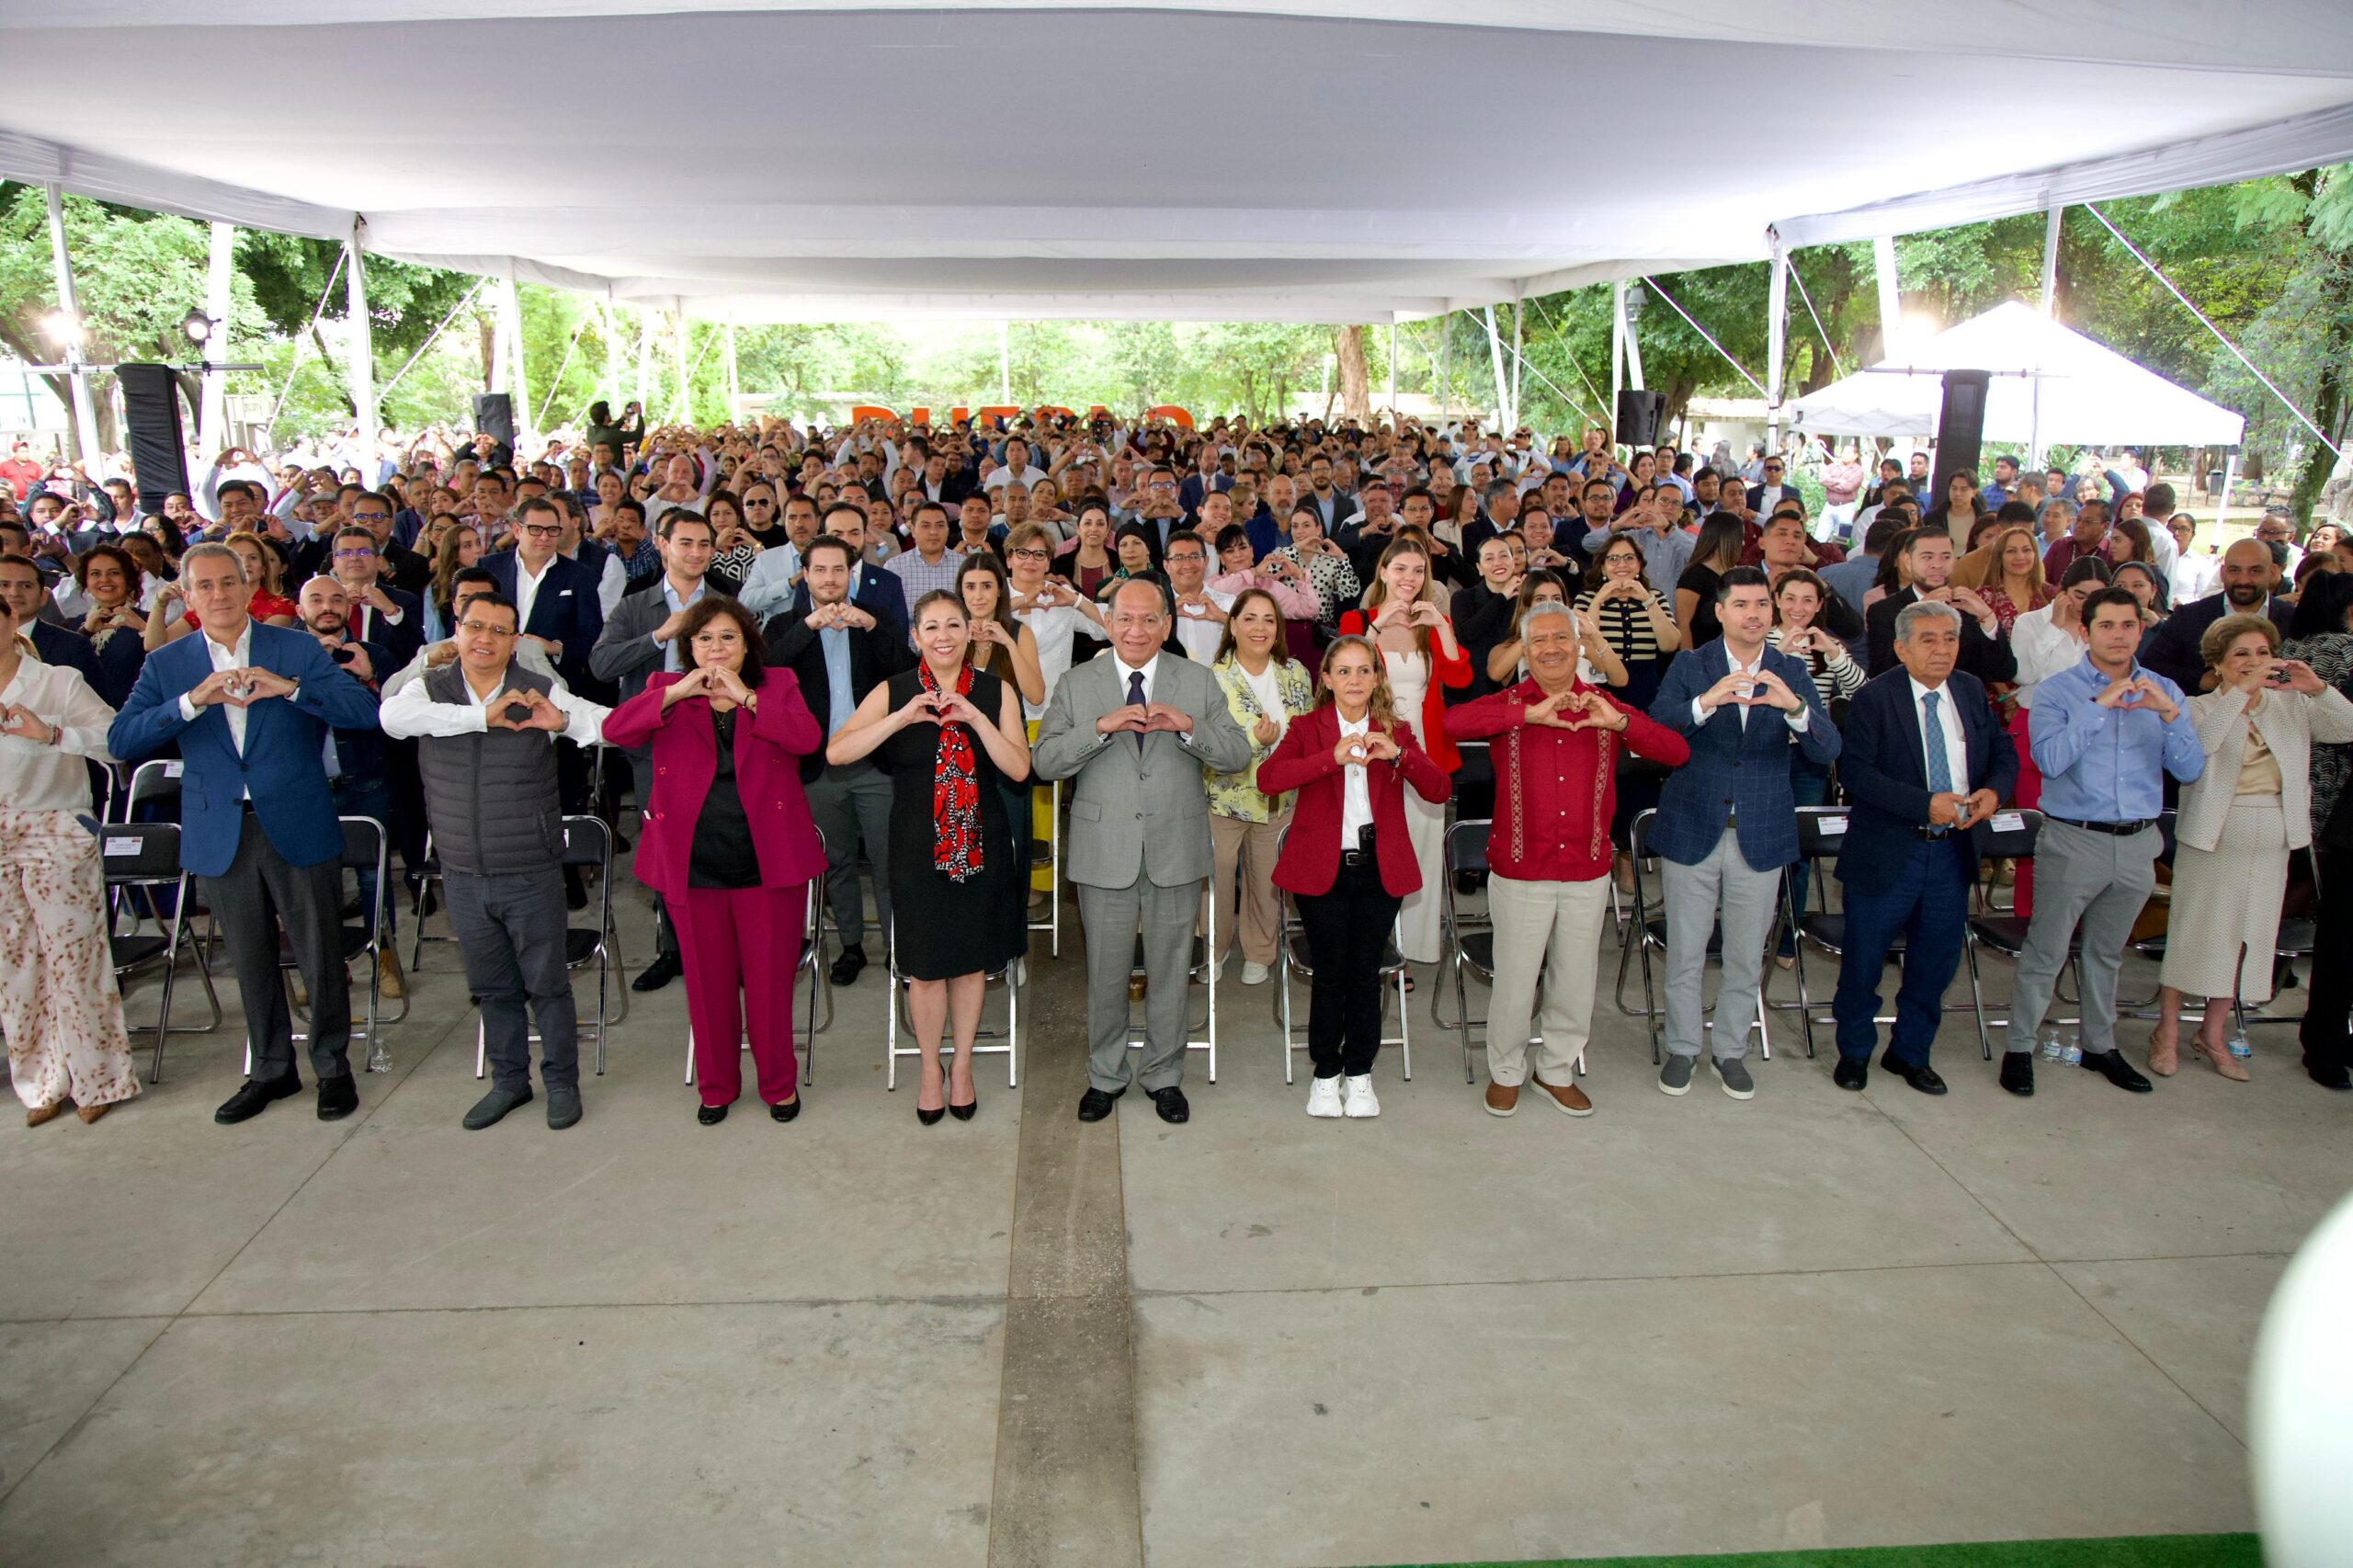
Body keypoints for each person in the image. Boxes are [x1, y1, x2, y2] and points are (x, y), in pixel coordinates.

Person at [108, 541, 381, 1124]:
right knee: (250, 958)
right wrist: (190, 702)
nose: (219, 595)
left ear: (248, 586)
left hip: (297, 817)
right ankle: (271, 1069)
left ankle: (332, 1067)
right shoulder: (168, 664)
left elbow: (363, 712)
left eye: (228, 582)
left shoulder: (295, 647)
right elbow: (121, 739)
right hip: (220, 828)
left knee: (319, 953)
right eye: (205, 586)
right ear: (188, 596)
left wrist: (293, 690)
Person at [1445, 603, 1688, 1117]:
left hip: (1586, 867)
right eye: (1539, 641)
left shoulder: (1603, 705)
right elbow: (1452, 721)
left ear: (1579, 646)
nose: (1551, 648)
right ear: (1525, 651)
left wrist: (1621, 722)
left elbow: (1675, 751)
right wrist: (1526, 716)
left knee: (1575, 981)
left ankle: (1555, 1070)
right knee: (1516, 980)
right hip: (1521, 868)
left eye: (1561, 638)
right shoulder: (1511, 702)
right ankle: (1506, 1070)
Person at [380, 591, 612, 1130]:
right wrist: (481, 716)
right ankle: (510, 1082)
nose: (484, 638)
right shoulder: (428, 688)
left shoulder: (537, 690)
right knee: (491, 987)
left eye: (499, 630)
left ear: (514, 642)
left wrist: (561, 722)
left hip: (529, 866)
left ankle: (561, 1082)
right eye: (474, 626)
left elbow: (606, 724)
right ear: (457, 631)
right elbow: (392, 717)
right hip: (462, 870)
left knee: (547, 986)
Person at [1032, 578, 1252, 1126]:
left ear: (1167, 625)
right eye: (1125, 619)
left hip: (1176, 845)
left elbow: (1235, 754)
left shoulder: (1196, 680)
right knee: (1106, 971)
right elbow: (1046, 761)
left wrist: (1188, 726)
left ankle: (1163, 1074)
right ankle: (1105, 1075)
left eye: (1150, 619)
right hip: (1103, 847)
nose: (1137, 630)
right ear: (1107, 623)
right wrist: (1100, 728)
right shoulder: (1077, 683)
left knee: (1171, 969)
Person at [606, 598, 826, 1125]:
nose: (717, 649)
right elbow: (616, 730)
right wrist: (677, 692)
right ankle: (716, 1086)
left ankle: (778, 1086)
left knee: (770, 985)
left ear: (747, 645)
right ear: (689, 647)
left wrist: (747, 698)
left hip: (767, 864)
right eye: (704, 639)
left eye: (728, 637)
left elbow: (807, 740)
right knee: (708, 987)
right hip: (692, 865)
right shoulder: (666, 688)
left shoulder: (776, 685)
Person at [826, 591, 1031, 1121]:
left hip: (979, 844)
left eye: (954, 625)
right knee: (924, 969)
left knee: (968, 964)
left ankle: (961, 1067)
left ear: (969, 631)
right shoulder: (894, 690)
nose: (944, 636)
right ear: (916, 637)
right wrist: (900, 719)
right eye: (932, 627)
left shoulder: (995, 690)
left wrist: (976, 719)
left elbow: (1018, 769)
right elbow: (838, 751)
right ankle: (928, 1070)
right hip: (916, 845)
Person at [1647, 566, 1840, 1100]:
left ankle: (1730, 1051)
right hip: (1693, 823)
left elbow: (1829, 748)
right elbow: (1655, 732)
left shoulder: (1790, 670)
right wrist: (1705, 703)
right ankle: (1683, 1047)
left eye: (1761, 605)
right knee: (1686, 950)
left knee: (1745, 953)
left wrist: (1795, 710)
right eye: (1741, 605)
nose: (1753, 615)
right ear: (1720, 612)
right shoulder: (1692, 664)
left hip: (1762, 829)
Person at [2002, 587, 2204, 1096]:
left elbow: (2190, 769)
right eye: (2106, 625)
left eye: (2128, 625)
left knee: (2107, 953)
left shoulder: (2164, 690)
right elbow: (2049, 763)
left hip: (2137, 841)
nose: (2118, 635)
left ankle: (2099, 1046)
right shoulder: (2057, 691)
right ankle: (2020, 1048)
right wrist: (2097, 707)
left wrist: (2170, 716)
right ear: (2085, 631)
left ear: (2141, 628)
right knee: (2046, 951)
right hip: (2074, 839)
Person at [2148, 615, 2353, 1080]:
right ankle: (2166, 1030)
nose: (2254, 662)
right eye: (2241, 654)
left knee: (2247, 938)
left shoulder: (2291, 704)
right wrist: (2239, 695)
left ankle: (2213, 1033)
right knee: (2195, 933)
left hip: (2273, 836)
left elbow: (2347, 728)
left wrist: (2319, 688)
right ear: (2217, 663)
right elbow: (2199, 751)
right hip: (2213, 837)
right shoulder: (2198, 706)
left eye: (2263, 653)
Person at [1255, 636, 1450, 1116]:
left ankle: (1360, 1073)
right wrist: (1332, 758)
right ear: (1326, 679)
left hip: (1379, 871)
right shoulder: (1307, 728)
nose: (1355, 680)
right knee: (1330, 975)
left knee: (1365, 976)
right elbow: (1269, 780)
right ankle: (1326, 1073)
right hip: (1322, 870)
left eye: (1364, 670)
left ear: (1378, 677)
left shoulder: (1396, 731)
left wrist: (1398, 756)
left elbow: (1439, 789)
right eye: (1343, 671)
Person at [1827, 601, 2018, 1094]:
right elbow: (1856, 773)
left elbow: (2002, 750)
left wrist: (1994, 791)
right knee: (1864, 962)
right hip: (1889, 850)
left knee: (1935, 963)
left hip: (1952, 852)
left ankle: (1910, 1053)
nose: (1942, 649)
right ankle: (1854, 1052)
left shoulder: (1970, 690)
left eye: (1950, 639)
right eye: (1928, 639)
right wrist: (1923, 804)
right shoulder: (1875, 698)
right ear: (1901, 648)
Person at [0, 587, 138, 1125]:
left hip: (55, 826)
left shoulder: (57, 680)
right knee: (14, 964)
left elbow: (115, 739)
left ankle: (99, 1079)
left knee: (75, 957)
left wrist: (52, 733)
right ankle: (41, 1083)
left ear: (10, 620)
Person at [763, 533, 914, 986]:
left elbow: (906, 670)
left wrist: (871, 626)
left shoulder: (876, 618)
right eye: (820, 570)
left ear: (852, 574)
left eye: (838, 570)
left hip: (876, 764)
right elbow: (766, 672)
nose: (829, 578)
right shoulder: (785, 624)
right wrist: (807, 627)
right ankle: (850, 946)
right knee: (836, 861)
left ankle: (898, 946)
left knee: (888, 861)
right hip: (817, 768)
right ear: (805, 574)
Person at [588, 508, 719, 994]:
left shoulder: (725, 603)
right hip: (654, 745)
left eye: (704, 544)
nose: (695, 553)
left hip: (715, 742)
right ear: (662, 545)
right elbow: (601, 664)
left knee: (714, 841)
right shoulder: (634, 605)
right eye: (685, 542)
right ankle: (672, 948)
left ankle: (714, 945)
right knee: (665, 847)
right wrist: (659, 635)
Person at [1336, 538, 1471, 974]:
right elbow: (1346, 672)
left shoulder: (1435, 624)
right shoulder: (1358, 620)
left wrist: (1443, 628)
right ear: (1383, 572)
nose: (1409, 578)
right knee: (1380, 856)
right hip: (1373, 752)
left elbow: (1461, 677)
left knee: (1424, 853)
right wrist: (1376, 628)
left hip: (1426, 754)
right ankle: (1376, 950)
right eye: (1400, 569)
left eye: (1418, 570)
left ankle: (1414, 949)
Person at [1203, 589, 1318, 985]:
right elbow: (1205, 744)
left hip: (1279, 799)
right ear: (1233, 625)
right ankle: (1214, 950)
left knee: (1268, 880)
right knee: (1216, 879)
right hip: (1224, 799)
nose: (1260, 628)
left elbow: (1308, 731)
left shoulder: (1295, 673)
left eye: (1269, 619)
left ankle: (1260, 951)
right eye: (1250, 618)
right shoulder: (1211, 678)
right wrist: (1254, 740)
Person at [2139, 539, 2292, 696]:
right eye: (2235, 570)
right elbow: (2151, 666)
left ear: (2272, 572)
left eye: (2255, 571)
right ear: (2222, 573)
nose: (2244, 580)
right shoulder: (2189, 616)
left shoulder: (2293, 620)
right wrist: (2200, 680)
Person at [1864, 528, 2017, 686]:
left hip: (1959, 699)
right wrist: (1916, 614)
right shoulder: (1884, 611)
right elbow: (1881, 673)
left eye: (1946, 557)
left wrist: (1988, 619)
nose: (1937, 565)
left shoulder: (1967, 608)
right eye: (1927, 557)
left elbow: (2003, 672)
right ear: (1908, 561)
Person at [1674, 513, 1746, 649]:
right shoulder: (1694, 575)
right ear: (1725, 538)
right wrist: (1689, 659)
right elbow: (1683, 624)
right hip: (1702, 653)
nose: (1743, 543)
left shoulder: (1736, 574)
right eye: (1740, 537)